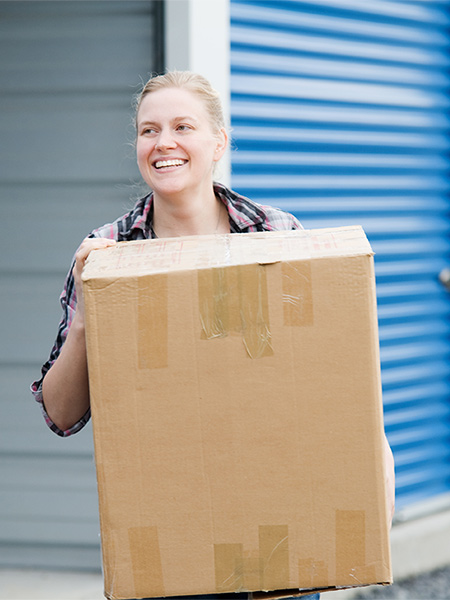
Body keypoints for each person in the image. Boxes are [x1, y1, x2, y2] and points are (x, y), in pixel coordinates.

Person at [31, 70, 394, 600]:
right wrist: (88, 318)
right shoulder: (107, 253)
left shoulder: (276, 235)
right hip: (173, 549)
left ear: (219, 141)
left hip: (281, 535)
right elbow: (60, 415)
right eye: (149, 130)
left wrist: (373, 474)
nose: (164, 143)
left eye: (183, 126)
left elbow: (336, 379)